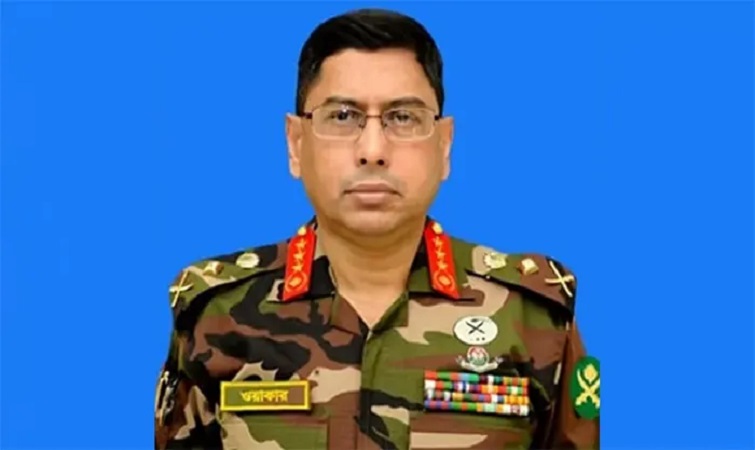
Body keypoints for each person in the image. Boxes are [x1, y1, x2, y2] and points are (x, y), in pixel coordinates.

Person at [154, 8, 600, 450]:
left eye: (403, 117)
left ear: (444, 145)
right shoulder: (215, 317)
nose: (372, 149)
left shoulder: (532, 319)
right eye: (342, 116)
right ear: (296, 143)